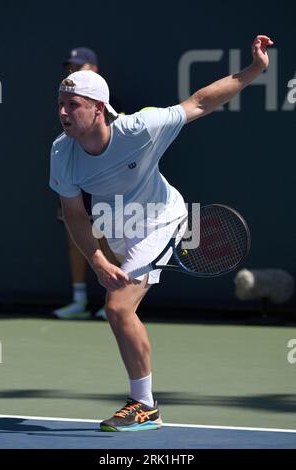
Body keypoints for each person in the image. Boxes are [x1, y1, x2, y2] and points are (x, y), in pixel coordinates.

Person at [49, 35, 273, 431]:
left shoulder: (142, 128)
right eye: (61, 104)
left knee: (118, 308)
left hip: (162, 222)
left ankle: (145, 405)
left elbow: (201, 102)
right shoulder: (61, 152)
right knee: (118, 310)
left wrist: (255, 69)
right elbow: (74, 215)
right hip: (117, 231)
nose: (64, 112)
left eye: (74, 105)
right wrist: (98, 261)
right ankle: (144, 403)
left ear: (99, 109)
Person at [53, 47, 108, 320]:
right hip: (77, 181)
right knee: (76, 236)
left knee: (108, 237)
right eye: (70, 67)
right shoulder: (67, 104)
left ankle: (114, 300)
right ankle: (79, 300)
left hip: (105, 185)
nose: (73, 72)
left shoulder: (104, 104)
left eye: (80, 66)